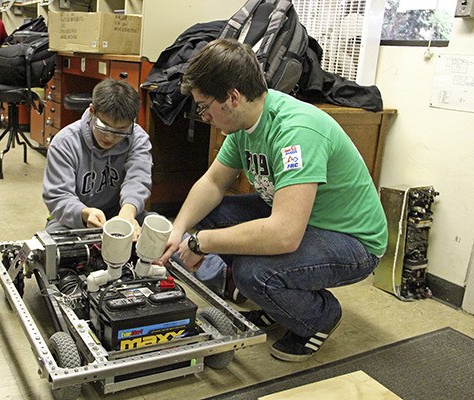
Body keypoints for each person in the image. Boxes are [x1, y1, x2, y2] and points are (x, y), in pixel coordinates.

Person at [158, 38, 388, 362]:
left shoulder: (296, 132)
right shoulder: (245, 123)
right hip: (305, 221)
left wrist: (200, 243)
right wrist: (178, 229)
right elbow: (212, 182)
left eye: (205, 106)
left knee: (254, 272)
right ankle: (278, 303)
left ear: (233, 98)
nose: (204, 116)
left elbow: (284, 233)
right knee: (213, 214)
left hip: (352, 240)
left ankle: (319, 317)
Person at [43, 78, 153, 238]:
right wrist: (84, 213)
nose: (109, 137)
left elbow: (138, 179)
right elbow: (59, 196)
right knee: (51, 245)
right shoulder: (65, 143)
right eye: (103, 127)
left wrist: (128, 213)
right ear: (92, 111)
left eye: (120, 131)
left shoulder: (138, 138)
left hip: (121, 213)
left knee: (158, 230)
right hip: (74, 217)